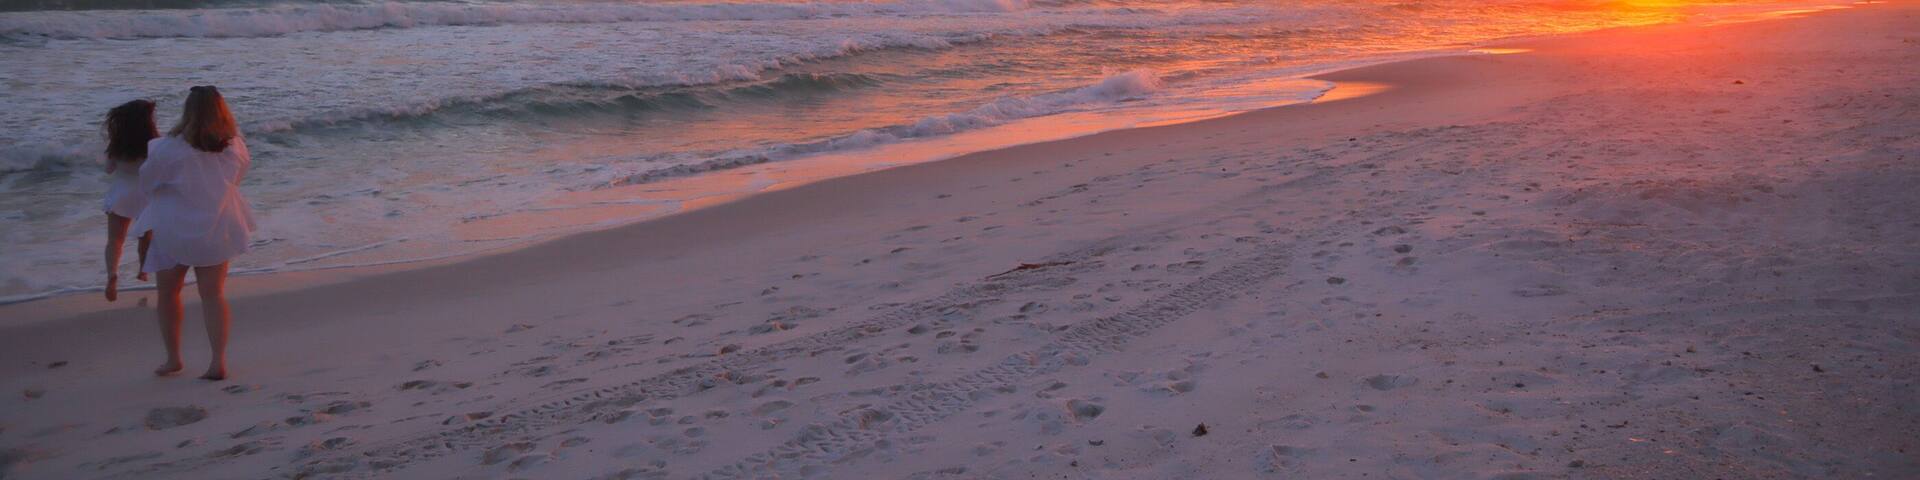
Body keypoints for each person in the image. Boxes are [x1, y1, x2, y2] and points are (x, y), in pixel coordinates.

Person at [136, 86, 255, 380]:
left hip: (173, 225)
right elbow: (238, 177)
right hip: (218, 223)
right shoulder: (234, 146)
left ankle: (173, 359)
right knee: (213, 295)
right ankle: (217, 362)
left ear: (187, 111)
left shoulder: (168, 148)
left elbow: (147, 182)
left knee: (168, 293)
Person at [101, 100, 158, 302]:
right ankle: (143, 270)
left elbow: (108, 169)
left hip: (121, 194)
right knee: (145, 236)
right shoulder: (154, 143)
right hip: (145, 195)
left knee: (115, 240)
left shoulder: (117, 144)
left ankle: (112, 276)